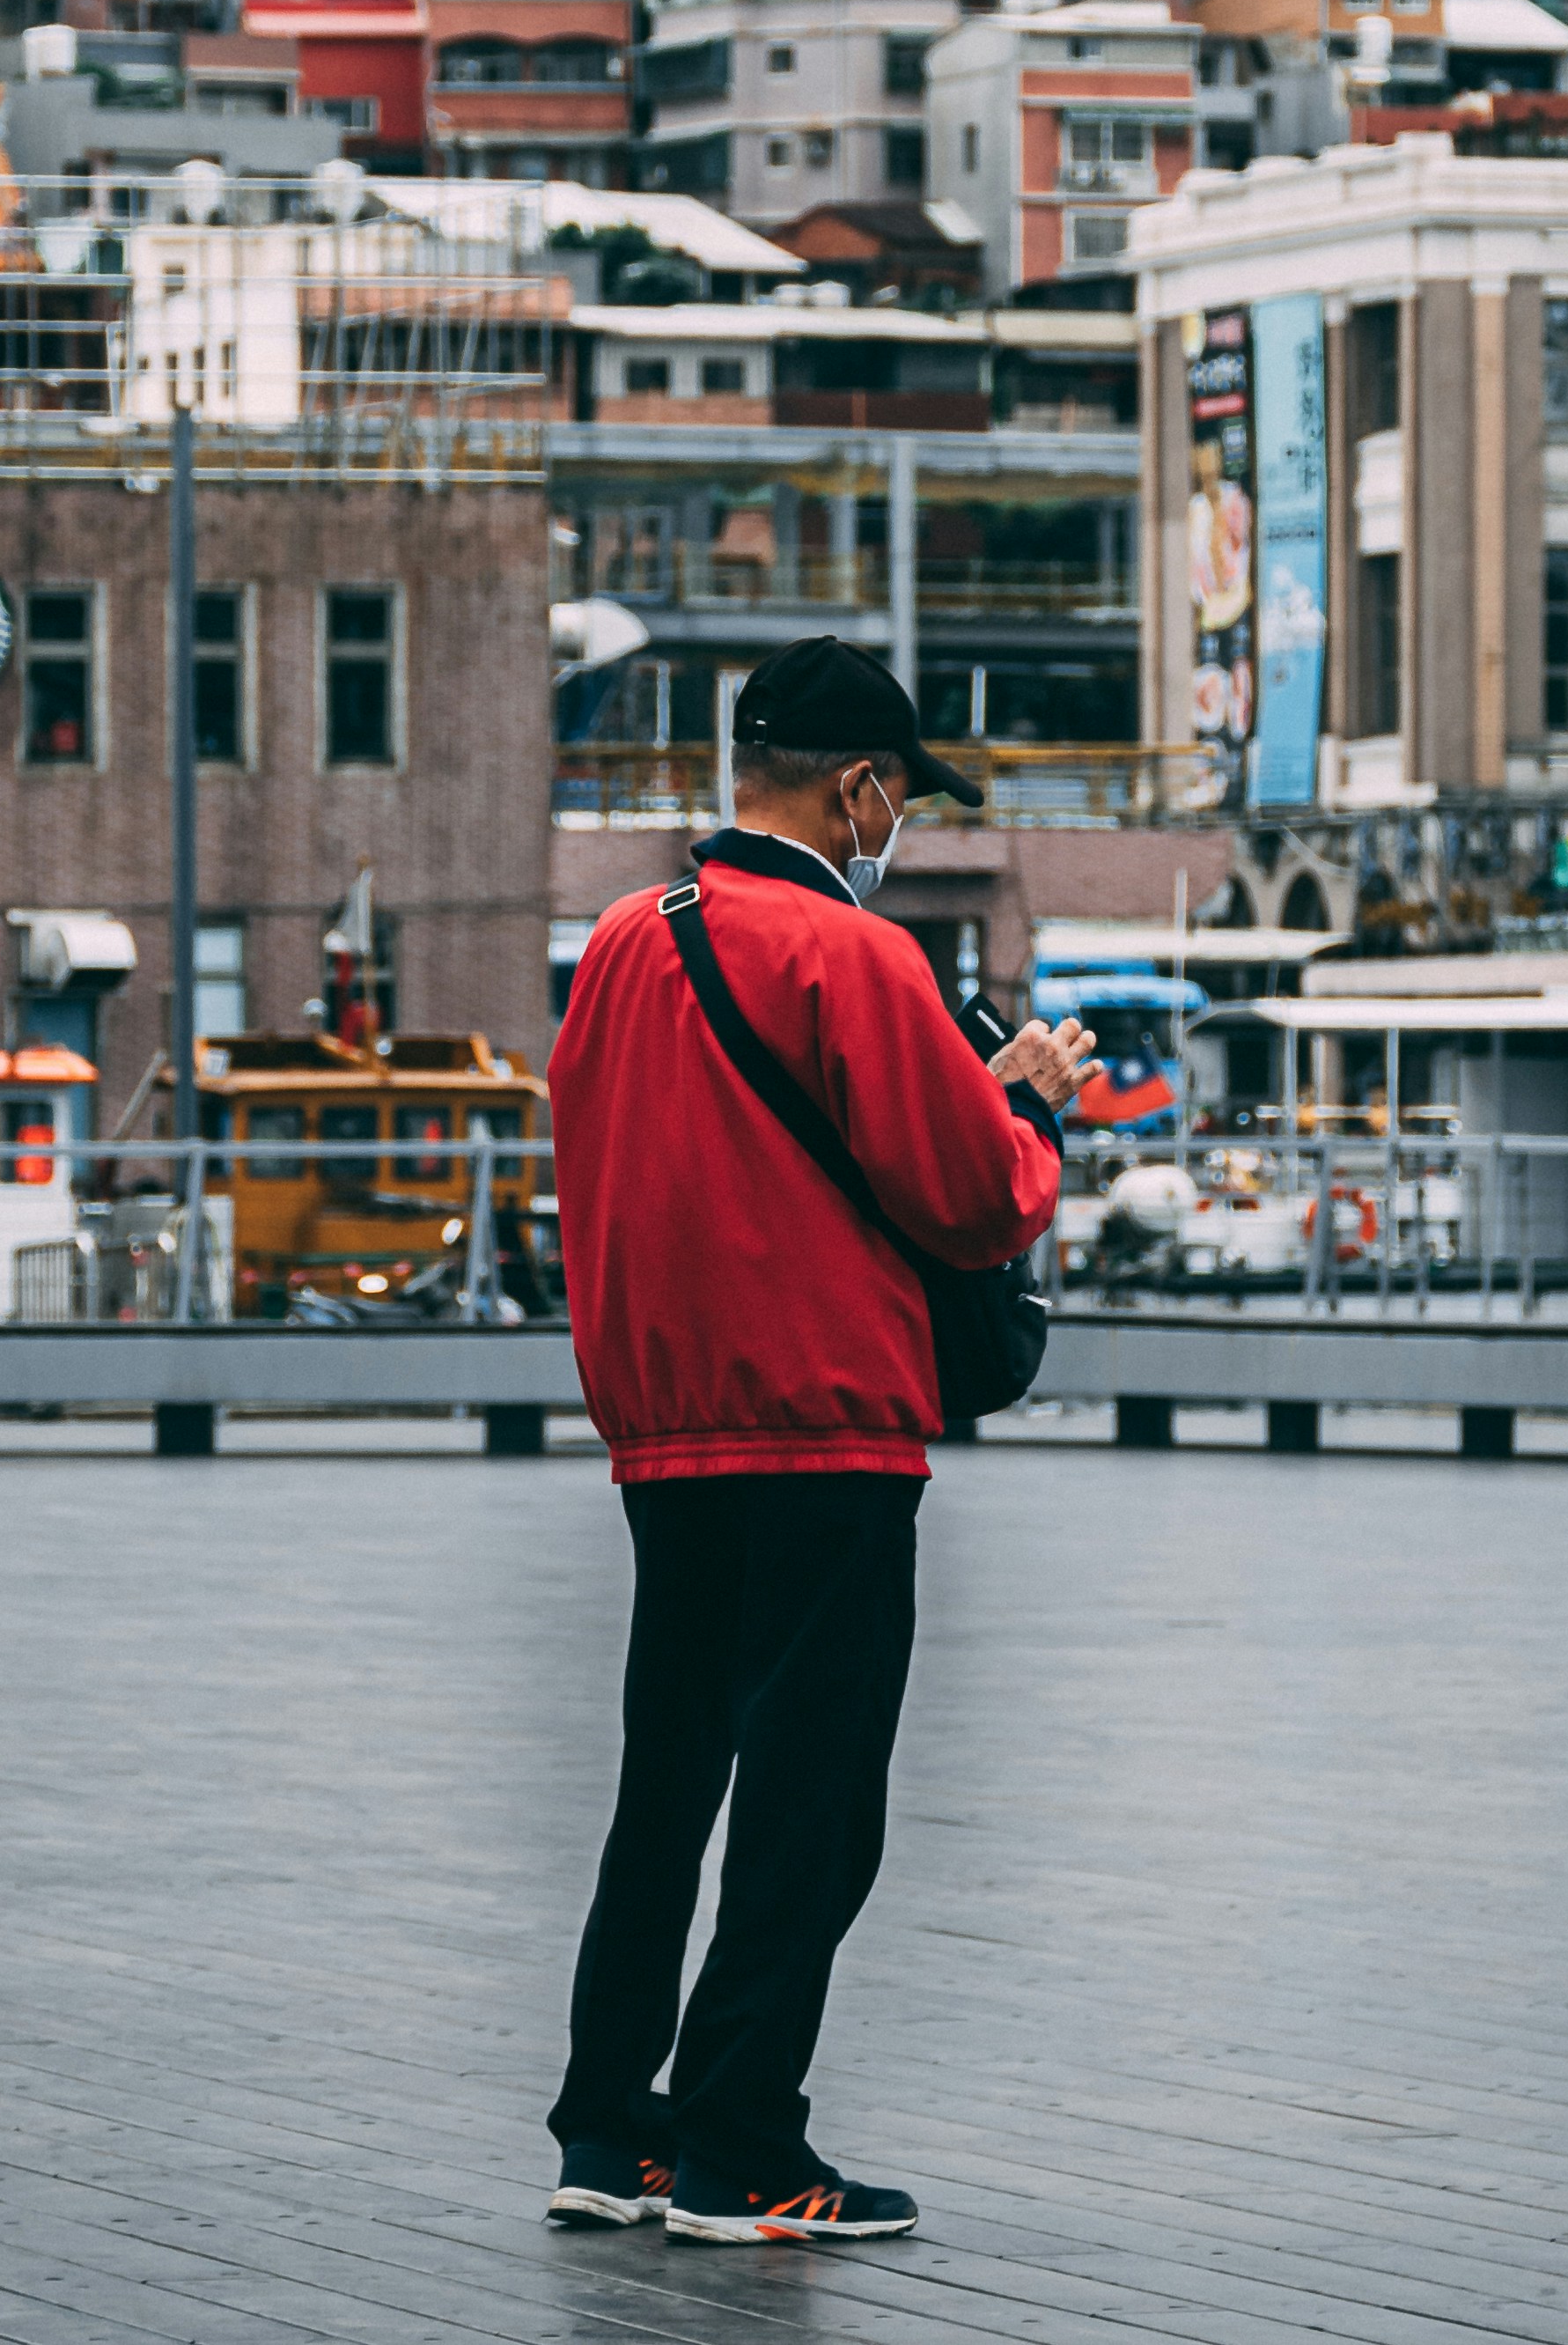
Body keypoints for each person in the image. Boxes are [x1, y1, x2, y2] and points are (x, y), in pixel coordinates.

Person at [543, 635, 1091, 2251]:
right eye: (895, 797)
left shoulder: (625, 941)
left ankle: (607, 2128)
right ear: (857, 784)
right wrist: (1032, 1103)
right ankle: (739, 2148)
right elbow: (973, 1196)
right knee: (808, 1801)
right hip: (824, 1434)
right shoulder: (854, 957)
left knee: (669, 1782)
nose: (890, 825)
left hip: (665, 1434)